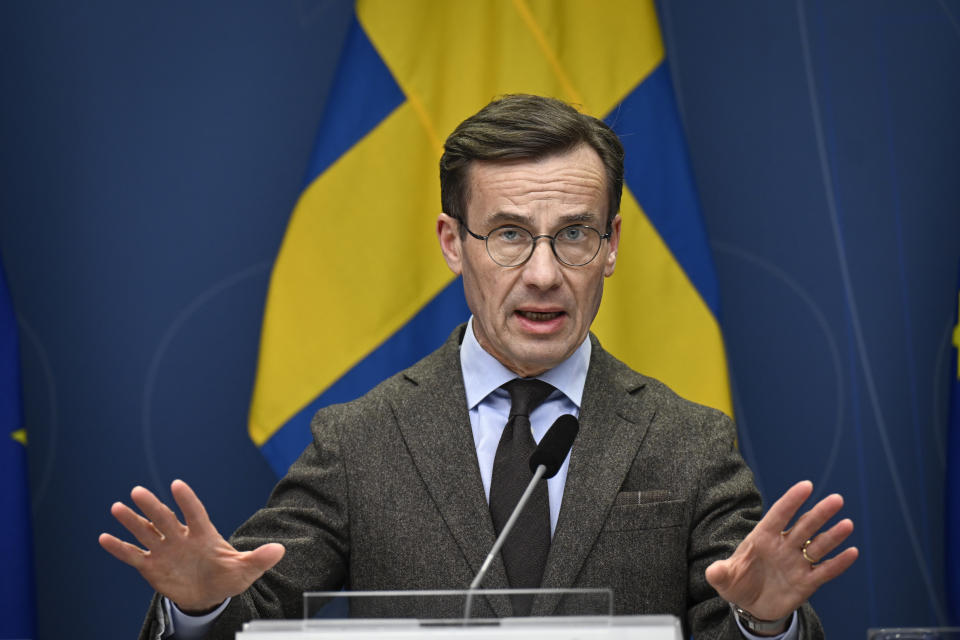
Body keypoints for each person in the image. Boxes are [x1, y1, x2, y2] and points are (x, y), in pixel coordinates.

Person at [100, 94, 858, 639]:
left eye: (574, 235)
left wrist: (766, 624)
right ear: (452, 242)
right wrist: (198, 608)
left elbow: (743, 614)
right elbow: (247, 609)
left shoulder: (689, 443)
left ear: (614, 245)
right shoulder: (363, 440)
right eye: (507, 235)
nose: (543, 273)